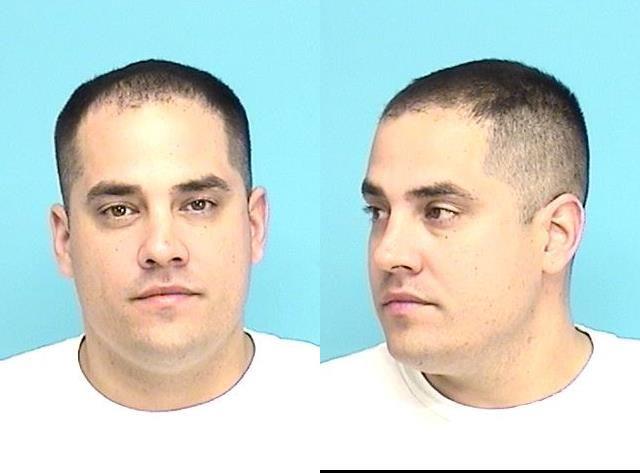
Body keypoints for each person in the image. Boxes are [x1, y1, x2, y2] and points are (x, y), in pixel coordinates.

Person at [321, 59, 640, 469]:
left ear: (554, 235)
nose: (388, 254)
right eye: (378, 212)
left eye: (439, 212)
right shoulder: (315, 419)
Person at [0, 59, 317, 471]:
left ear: (254, 225)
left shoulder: (335, 407)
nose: (162, 248)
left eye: (198, 204)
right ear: (65, 240)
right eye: (119, 210)